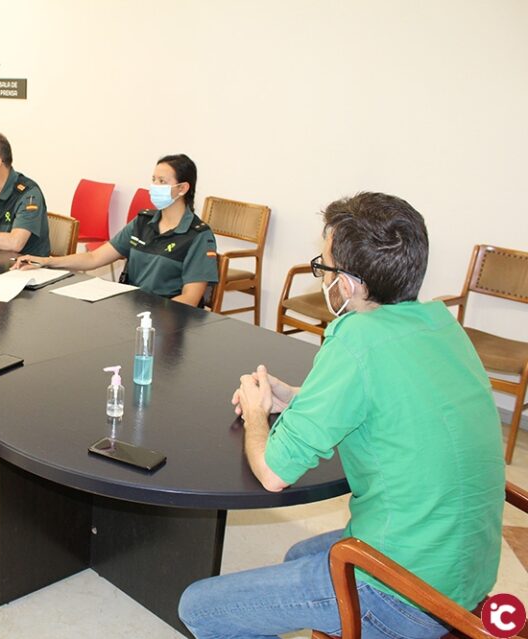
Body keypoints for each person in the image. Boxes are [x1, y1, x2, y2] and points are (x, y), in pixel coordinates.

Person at [178, 192, 505, 639]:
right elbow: (387, 402)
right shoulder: (441, 324)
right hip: (464, 572)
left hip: (406, 593)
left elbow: (272, 473)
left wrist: (257, 415)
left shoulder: (355, 338)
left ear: (348, 283)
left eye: (326, 266)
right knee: (299, 556)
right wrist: (294, 398)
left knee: (199, 606)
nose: (324, 276)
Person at [13, 154, 217, 307]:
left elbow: (190, 299)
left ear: (182, 188)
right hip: (132, 312)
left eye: (162, 182)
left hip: (167, 324)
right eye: (153, 179)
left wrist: (150, 316)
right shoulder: (143, 222)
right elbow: (94, 258)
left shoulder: (198, 236)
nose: (154, 186)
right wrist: (47, 262)